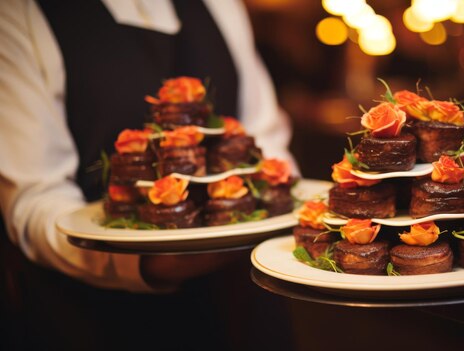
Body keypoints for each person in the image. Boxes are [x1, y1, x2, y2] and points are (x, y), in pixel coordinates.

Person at [0, 0, 297, 292]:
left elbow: (267, 140)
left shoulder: (222, 6)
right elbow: (35, 199)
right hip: (93, 313)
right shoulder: (19, 12)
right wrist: (144, 264)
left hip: (243, 293)